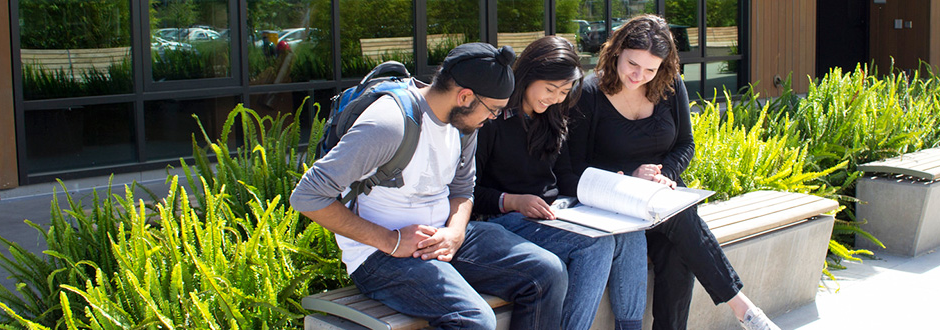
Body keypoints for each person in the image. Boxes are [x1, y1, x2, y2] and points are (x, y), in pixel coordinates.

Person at [290, 43, 568, 330]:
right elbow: (307, 196)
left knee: (548, 273)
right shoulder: (389, 124)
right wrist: (391, 240)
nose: (492, 119)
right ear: (465, 96)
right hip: (380, 255)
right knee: (473, 320)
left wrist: (456, 233)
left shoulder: (465, 126)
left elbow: (462, 190)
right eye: (493, 110)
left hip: (441, 238)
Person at [557, 15, 782, 330]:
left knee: (677, 254)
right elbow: (573, 169)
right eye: (633, 65)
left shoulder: (669, 85)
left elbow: (685, 145)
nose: (639, 76)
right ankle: (745, 310)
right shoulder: (589, 93)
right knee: (682, 227)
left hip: (665, 201)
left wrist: (668, 175)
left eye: (650, 69)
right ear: (617, 51)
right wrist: (629, 178)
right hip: (614, 207)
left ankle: (741, 312)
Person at [473, 36, 647, 330]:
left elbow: (564, 178)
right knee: (596, 247)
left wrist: (604, 188)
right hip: (505, 220)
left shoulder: (554, 116)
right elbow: (470, 192)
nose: (555, 98)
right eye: (550, 89)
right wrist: (512, 200)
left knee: (632, 233)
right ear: (528, 75)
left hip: (554, 214)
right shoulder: (493, 119)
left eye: (564, 91)